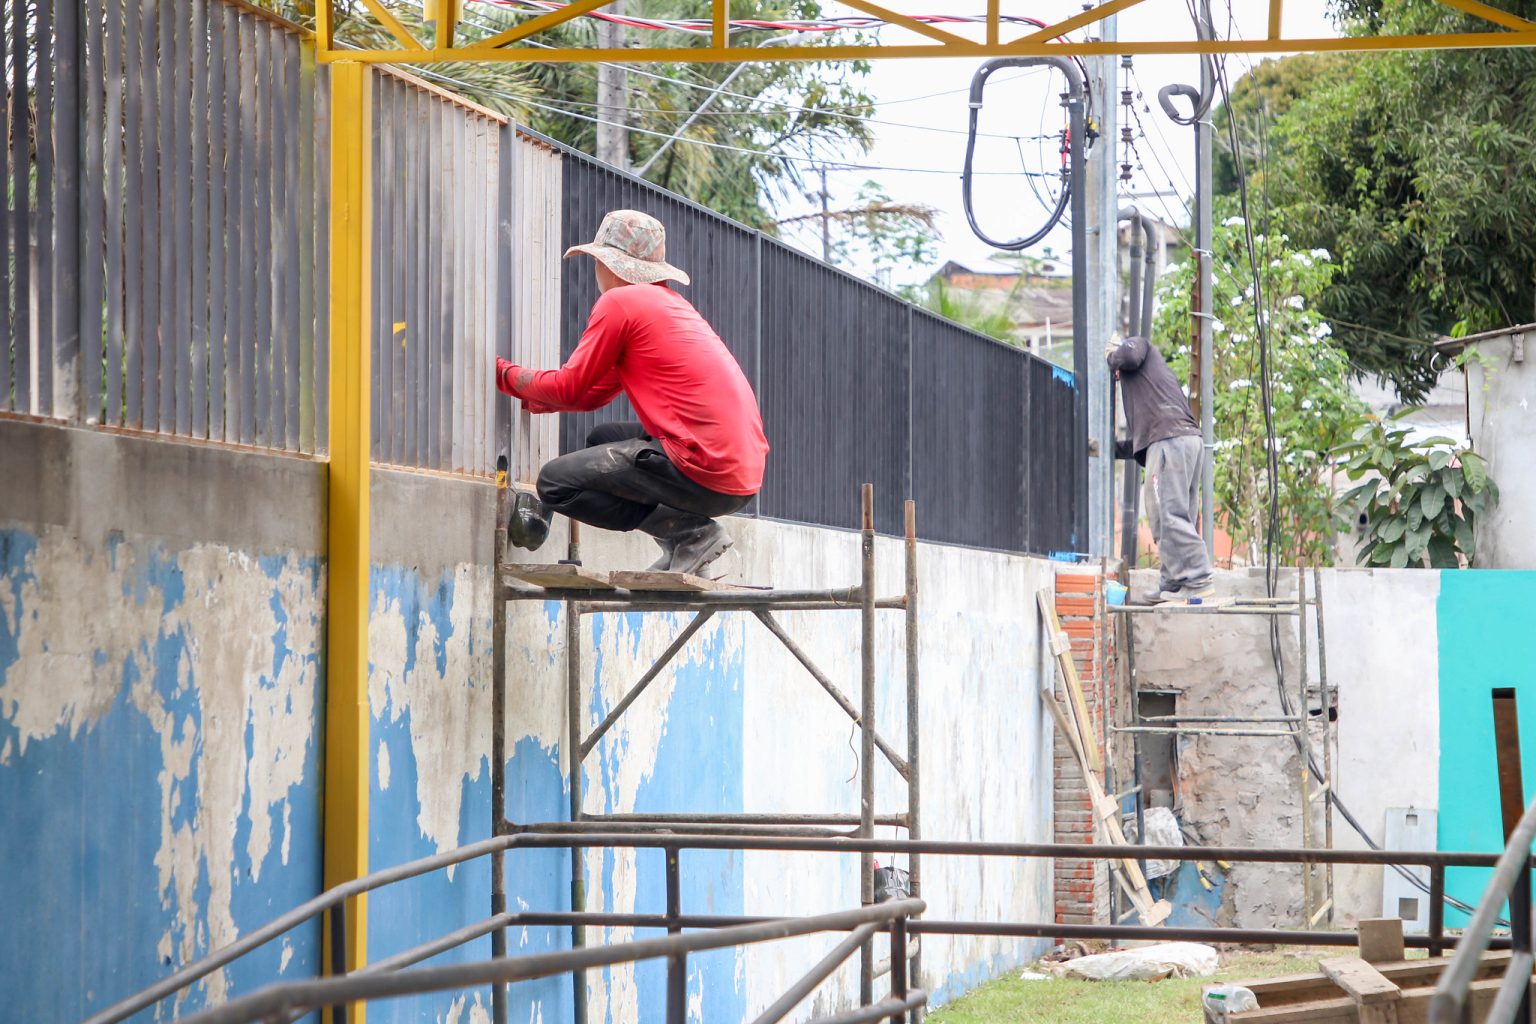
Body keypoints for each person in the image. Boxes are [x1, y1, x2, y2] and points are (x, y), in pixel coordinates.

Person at [495, 209, 769, 577]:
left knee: (555, 484)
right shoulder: (668, 306)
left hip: (704, 468)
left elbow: (572, 387)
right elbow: (591, 394)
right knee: (601, 439)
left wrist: (502, 373)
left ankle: (691, 533)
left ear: (611, 265)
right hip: (739, 474)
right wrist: (537, 398)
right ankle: (683, 540)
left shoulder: (621, 303)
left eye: (597, 261)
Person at [1106, 334, 1213, 602]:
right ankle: (1174, 581)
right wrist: (1114, 448)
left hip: (1170, 442)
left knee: (1167, 514)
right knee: (1178, 515)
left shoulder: (1137, 346)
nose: (1116, 375)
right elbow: (1145, 437)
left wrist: (1111, 358)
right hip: (1185, 441)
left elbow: (1129, 354)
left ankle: (1198, 577)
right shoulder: (1151, 383)